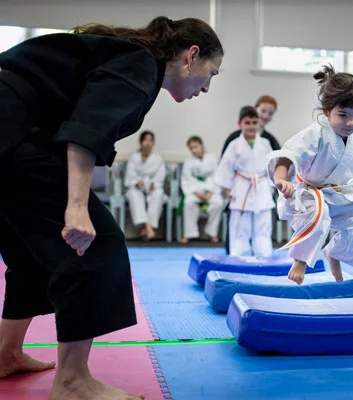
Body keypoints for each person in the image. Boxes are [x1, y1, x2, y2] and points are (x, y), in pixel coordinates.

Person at [0, 16, 223, 399]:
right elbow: (85, 130)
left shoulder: (132, 60)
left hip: (12, 130)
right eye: (211, 73)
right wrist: (76, 207)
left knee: (30, 251)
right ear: (191, 55)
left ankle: (5, 354)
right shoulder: (140, 64)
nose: (207, 86)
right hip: (13, 131)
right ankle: (72, 382)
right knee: (93, 244)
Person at [267, 65, 353, 285]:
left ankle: (335, 253)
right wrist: (281, 179)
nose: (351, 123)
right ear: (326, 111)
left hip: (338, 194)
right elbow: (287, 156)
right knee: (318, 215)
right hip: (310, 195)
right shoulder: (315, 133)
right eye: (343, 115)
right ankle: (300, 260)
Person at [221, 95, 280, 254]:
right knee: (241, 226)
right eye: (247, 122)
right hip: (242, 187)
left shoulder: (268, 142)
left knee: (263, 225)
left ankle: (263, 255)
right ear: (240, 124)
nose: (252, 126)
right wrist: (227, 187)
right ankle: (239, 255)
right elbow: (226, 165)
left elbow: (274, 166)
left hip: (262, 187)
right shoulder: (234, 142)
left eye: (254, 122)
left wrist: (273, 185)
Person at [179, 135, 223, 243]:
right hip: (195, 191)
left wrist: (210, 192)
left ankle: (211, 233)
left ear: (202, 145)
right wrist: (197, 192)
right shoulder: (188, 161)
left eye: (196, 147)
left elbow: (217, 177)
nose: (194, 150)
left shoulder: (212, 158)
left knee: (218, 202)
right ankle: (189, 234)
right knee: (188, 202)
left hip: (210, 190)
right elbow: (186, 179)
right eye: (191, 148)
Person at [124, 130, 166, 240]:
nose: (147, 143)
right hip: (137, 188)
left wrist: (154, 184)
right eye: (145, 140)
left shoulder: (158, 158)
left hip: (152, 188)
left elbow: (160, 175)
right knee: (134, 195)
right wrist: (136, 182)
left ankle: (146, 229)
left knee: (158, 194)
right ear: (140, 142)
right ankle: (148, 227)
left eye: (150, 140)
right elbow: (130, 176)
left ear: (153, 142)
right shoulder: (134, 157)